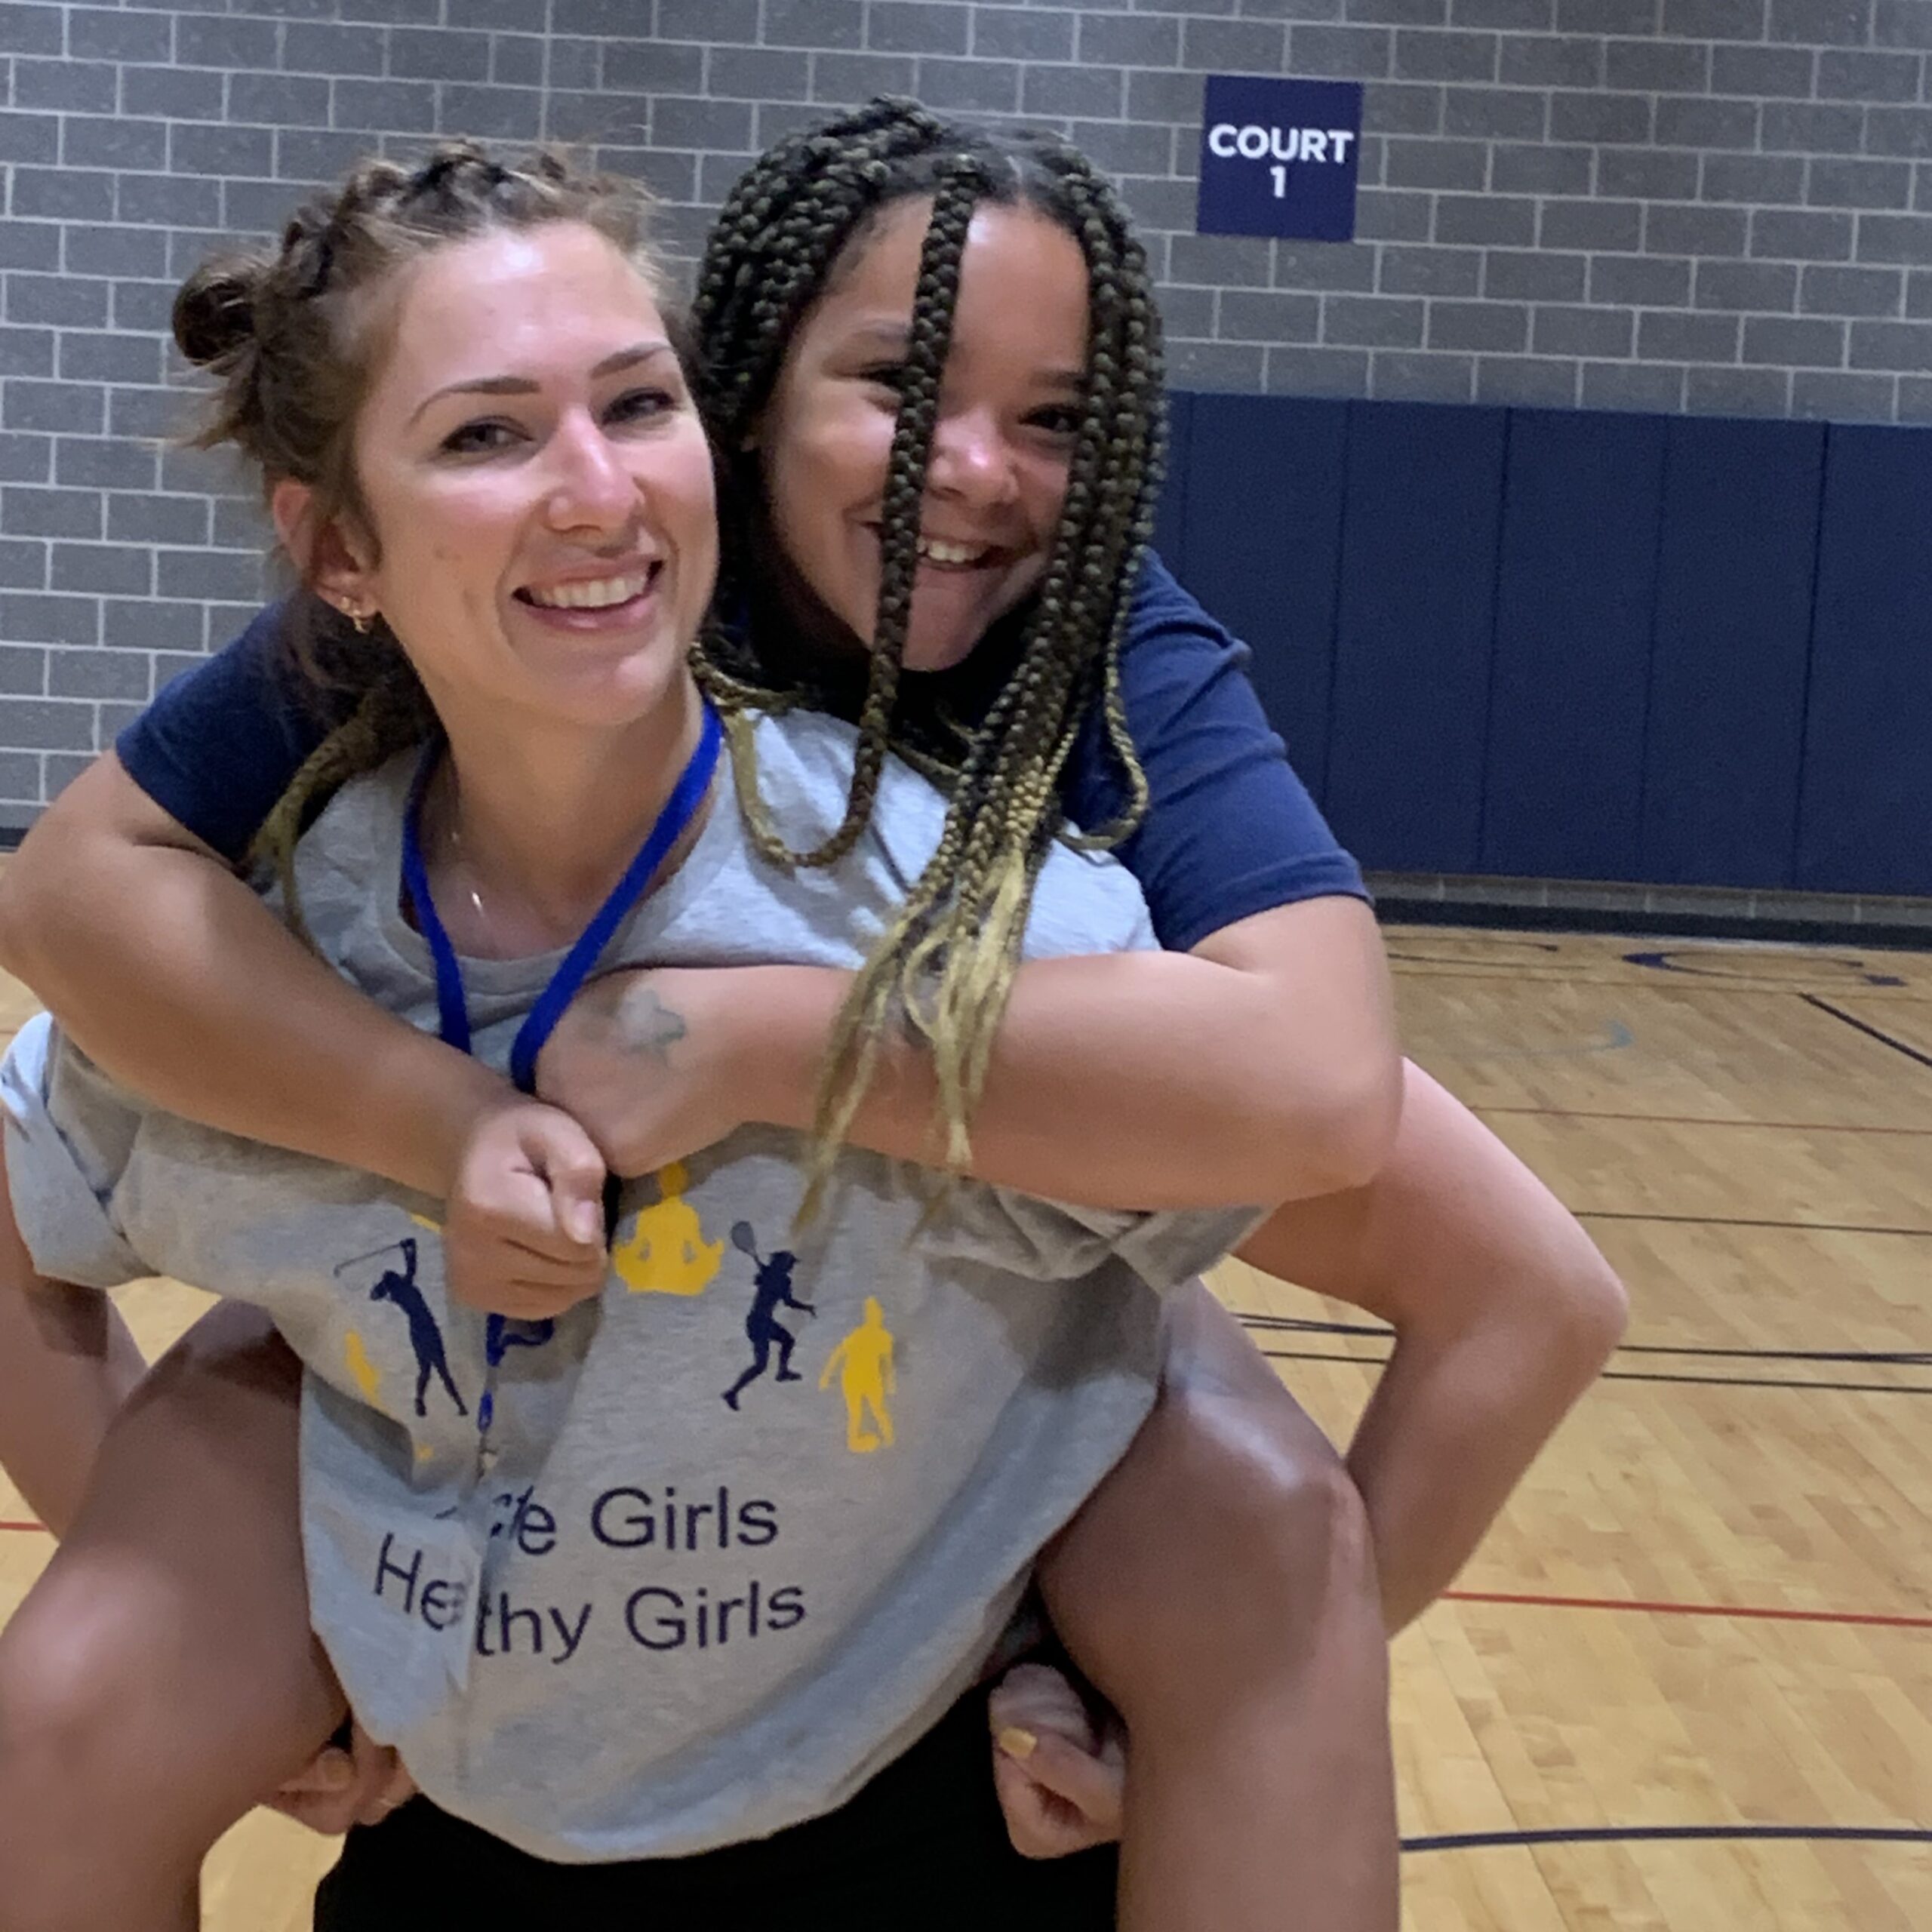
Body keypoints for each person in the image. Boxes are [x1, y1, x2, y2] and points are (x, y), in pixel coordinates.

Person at [0, 100, 1625, 1923]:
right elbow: (77, 885)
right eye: (897, 380)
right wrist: (436, 1121)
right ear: (745, 386)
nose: (977, 470)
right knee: (86, 1682)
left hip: (970, 1214)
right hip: (511, 1454)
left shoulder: (1089, 661)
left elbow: (1369, 1132)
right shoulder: (483, 611)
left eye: (1056, 418)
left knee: (1256, 1528)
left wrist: (754, 1041)